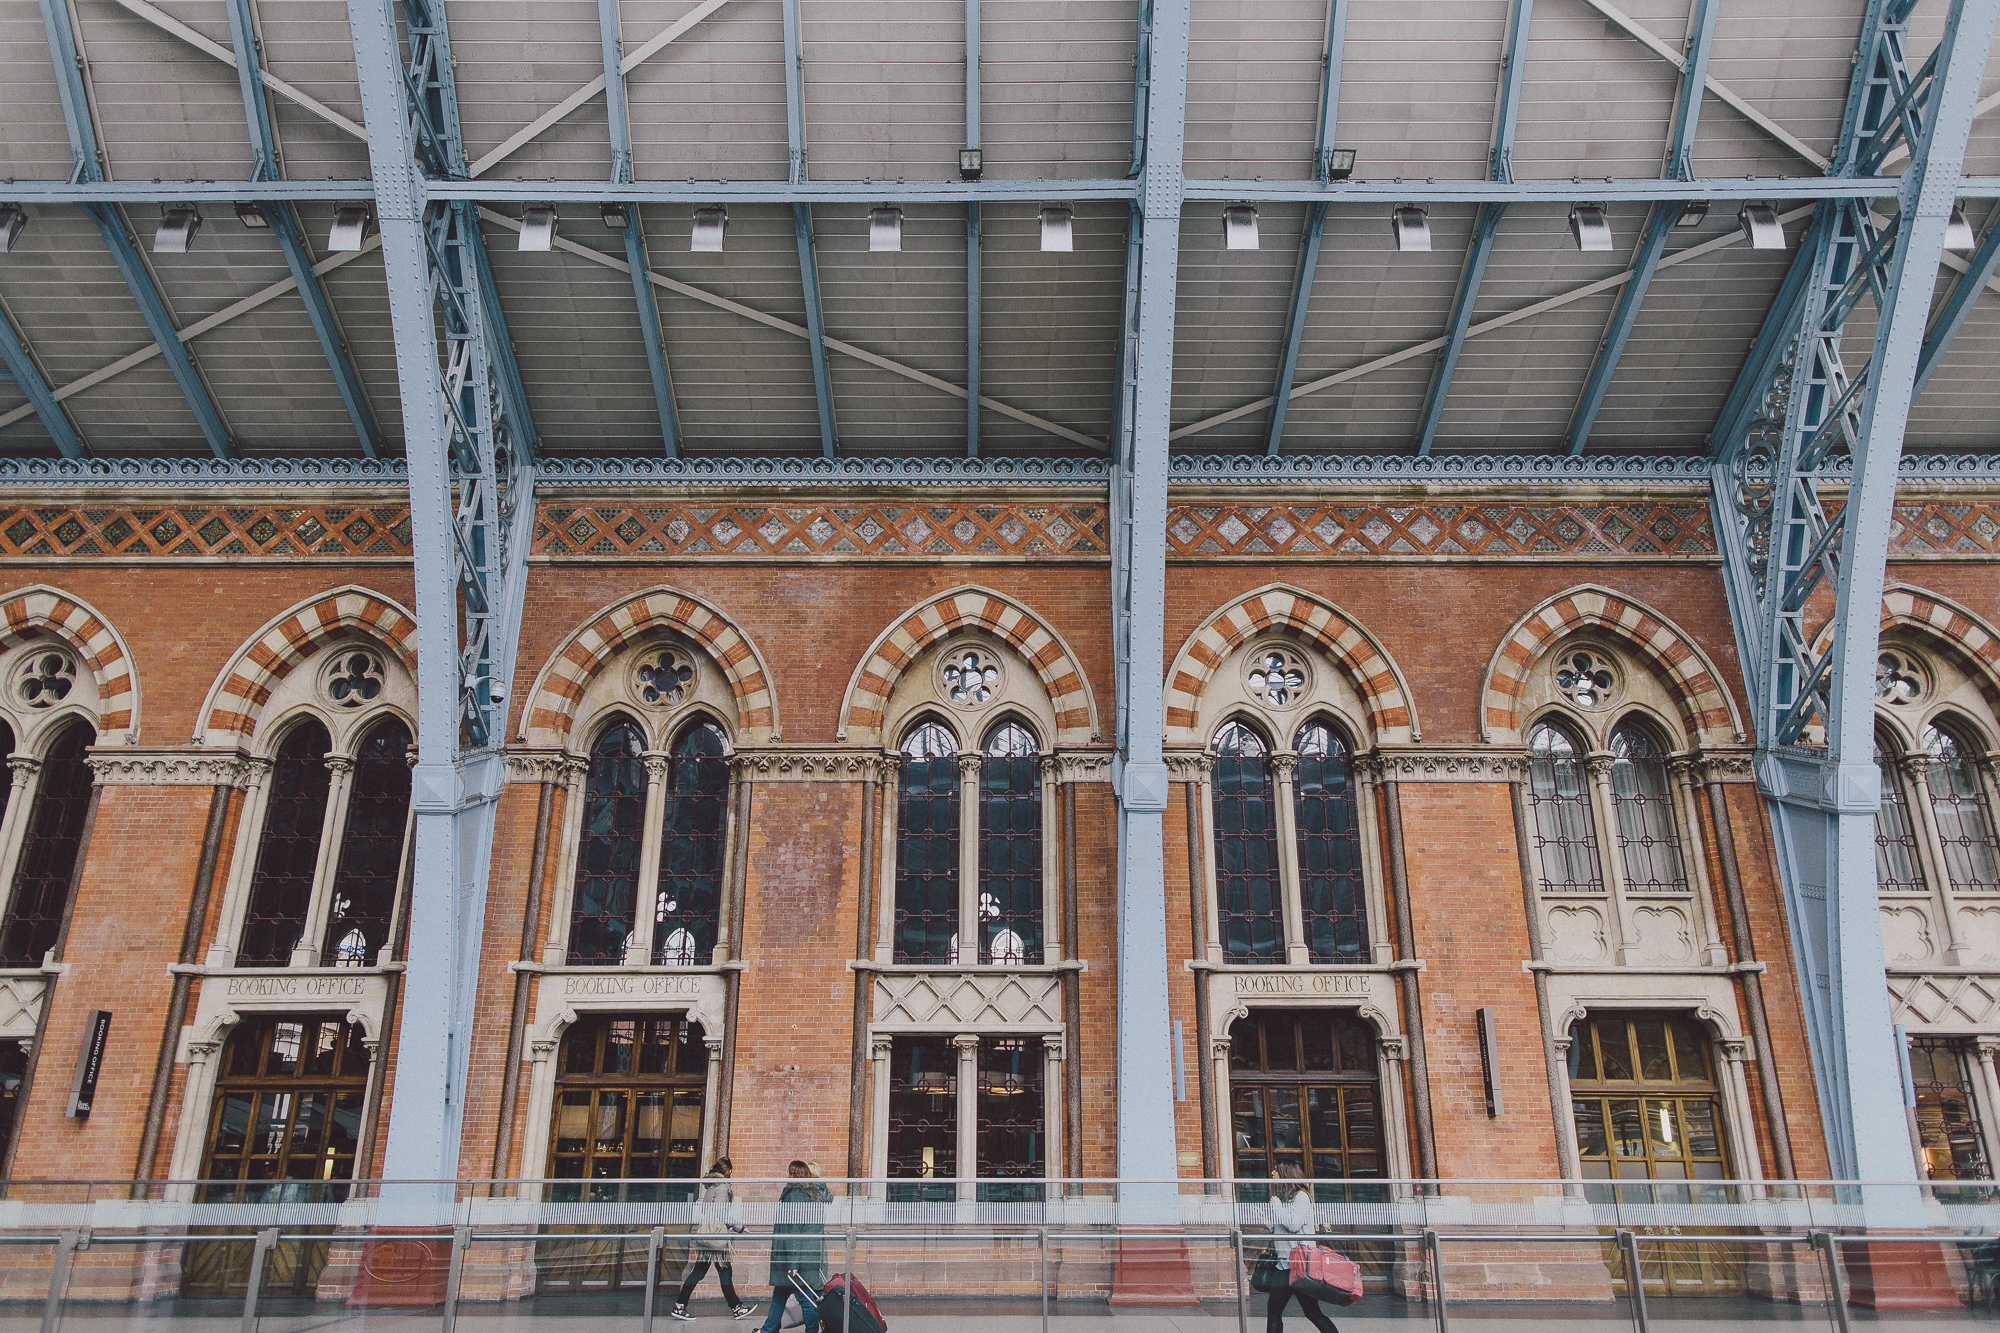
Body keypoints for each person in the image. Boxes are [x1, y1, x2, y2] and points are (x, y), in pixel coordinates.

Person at [671, 1159, 758, 1322]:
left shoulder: (711, 1185)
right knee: (724, 1271)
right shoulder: (723, 1186)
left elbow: (706, 1209)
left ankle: (680, 1306)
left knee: (699, 1272)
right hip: (717, 1238)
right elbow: (721, 1212)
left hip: (707, 1236)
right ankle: (736, 1308)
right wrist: (739, 1227)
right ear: (728, 1171)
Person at [756, 1160, 832, 1333]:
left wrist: (792, 1264)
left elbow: (793, 1232)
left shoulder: (795, 1195)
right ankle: (767, 1330)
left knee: (805, 1299)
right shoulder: (810, 1194)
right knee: (780, 1296)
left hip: (795, 1259)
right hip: (803, 1256)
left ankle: (811, 1331)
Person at [1266, 1164, 1338, 1333]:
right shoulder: (1288, 1198)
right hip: (1284, 1265)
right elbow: (1282, 1229)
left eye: (1276, 1169)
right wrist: (1267, 1221)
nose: (1272, 1173)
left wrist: (1277, 1207)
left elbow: (1293, 1224)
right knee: (1274, 1312)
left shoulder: (1302, 1197)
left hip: (1300, 1266)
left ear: (1286, 1173)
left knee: (1312, 1312)